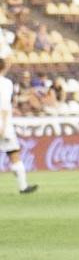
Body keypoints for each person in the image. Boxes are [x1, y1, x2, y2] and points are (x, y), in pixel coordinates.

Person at [1, 56, 38, 195]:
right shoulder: (6, 83)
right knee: (14, 155)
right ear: (4, 67)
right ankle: (23, 187)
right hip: (3, 124)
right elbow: (4, 106)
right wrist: (3, 126)